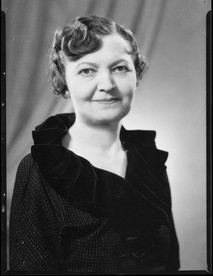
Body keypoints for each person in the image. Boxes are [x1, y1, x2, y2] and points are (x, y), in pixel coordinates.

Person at [9, 15, 180, 273]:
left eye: (120, 68)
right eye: (87, 70)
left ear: (137, 76)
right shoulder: (39, 169)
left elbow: (171, 265)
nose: (107, 85)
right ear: (64, 82)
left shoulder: (149, 160)